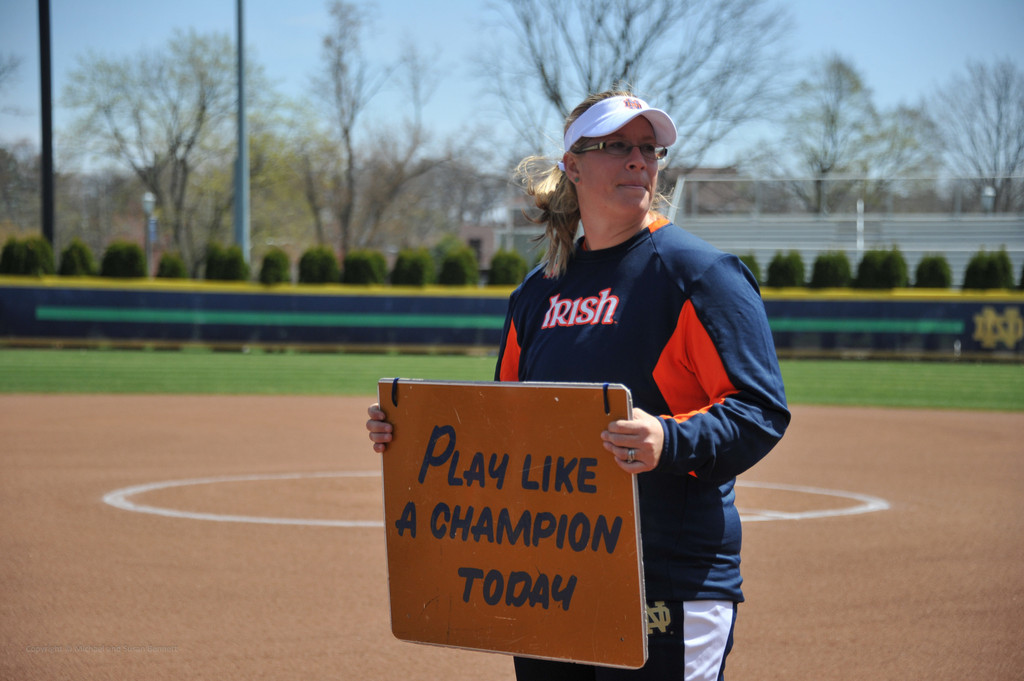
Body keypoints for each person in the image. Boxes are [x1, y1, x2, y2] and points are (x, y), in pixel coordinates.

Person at [366, 90, 790, 681]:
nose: (639, 160)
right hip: (550, 583)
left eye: (649, 148)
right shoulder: (536, 294)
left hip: (665, 578)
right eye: (617, 145)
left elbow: (760, 410)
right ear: (573, 163)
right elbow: (502, 430)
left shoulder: (698, 275)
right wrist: (410, 436)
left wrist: (667, 440)